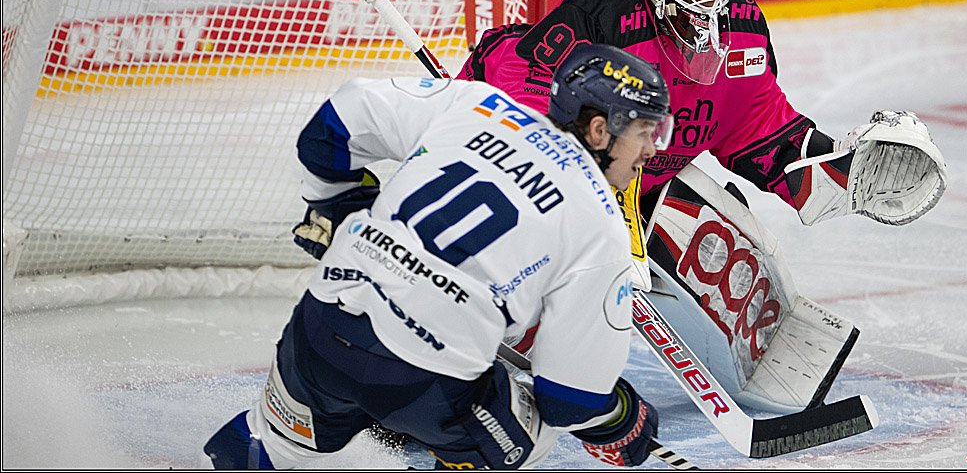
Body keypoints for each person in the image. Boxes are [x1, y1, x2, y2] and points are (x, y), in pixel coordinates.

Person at [456, 0, 947, 411]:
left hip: (639, 176)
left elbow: (755, 122)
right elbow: (528, 91)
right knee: (550, 302)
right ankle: (457, 362)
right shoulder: (606, 10)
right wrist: (592, 191)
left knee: (697, 228)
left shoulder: (741, 23)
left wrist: (831, 168)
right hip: (525, 159)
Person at [204, 43, 674, 469]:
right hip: (425, 383)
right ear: (599, 129)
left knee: (269, 445)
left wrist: (337, 207)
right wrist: (619, 418)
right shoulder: (603, 226)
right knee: (534, 437)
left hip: (321, 330)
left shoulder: (479, 104)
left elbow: (332, 126)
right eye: (645, 130)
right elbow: (569, 401)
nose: (653, 148)